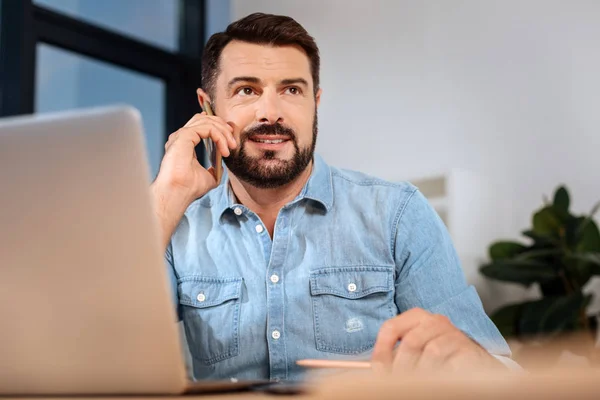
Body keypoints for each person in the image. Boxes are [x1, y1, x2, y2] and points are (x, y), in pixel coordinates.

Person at [150, 12, 513, 382]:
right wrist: (166, 195)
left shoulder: (398, 214)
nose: (271, 112)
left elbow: (502, 373)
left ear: (315, 101)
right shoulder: (175, 227)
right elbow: (99, 350)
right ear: (207, 106)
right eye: (247, 90)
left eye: (292, 90)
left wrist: (467, 360)